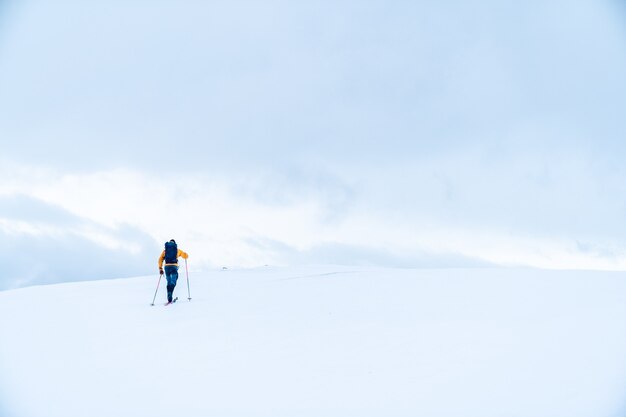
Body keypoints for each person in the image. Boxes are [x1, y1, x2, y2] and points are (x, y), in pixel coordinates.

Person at [158, 239, 189, 304]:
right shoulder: (177, 250)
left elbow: (160, 259)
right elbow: (185, 256)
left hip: (166, 267)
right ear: (174, 244)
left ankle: (169, 296)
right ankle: (170, 292)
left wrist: (160, 268)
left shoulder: (165, 251)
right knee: (174, 280)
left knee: (168, 281)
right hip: (174, 266)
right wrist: (185, 255)